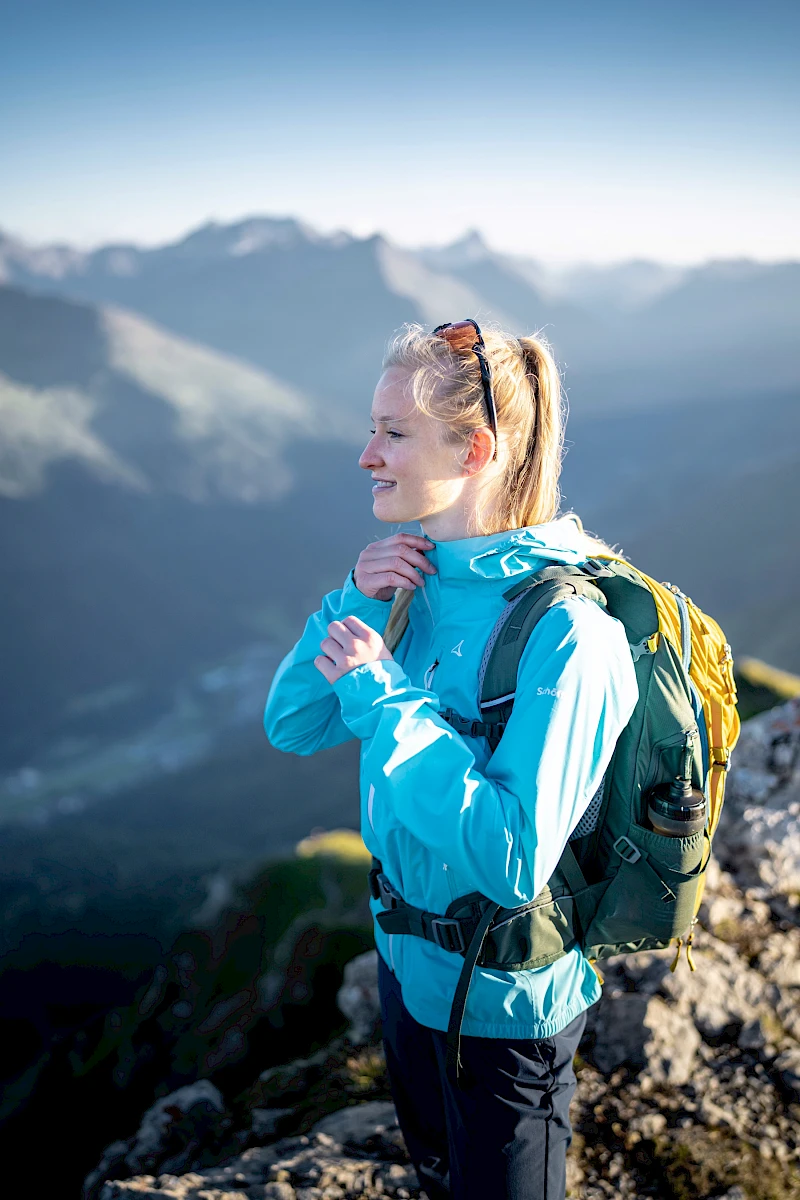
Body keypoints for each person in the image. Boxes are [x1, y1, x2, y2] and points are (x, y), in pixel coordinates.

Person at [264, 319, 639, 1200]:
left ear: (473, 450)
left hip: (508, 1016)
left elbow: (510, 860)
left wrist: (382, 695)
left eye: (393, 433)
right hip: (407, 974)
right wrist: (357, 595)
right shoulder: (418, 580)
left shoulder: (568, 634)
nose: (366, 456)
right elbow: (290, 722)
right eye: (373, 429)